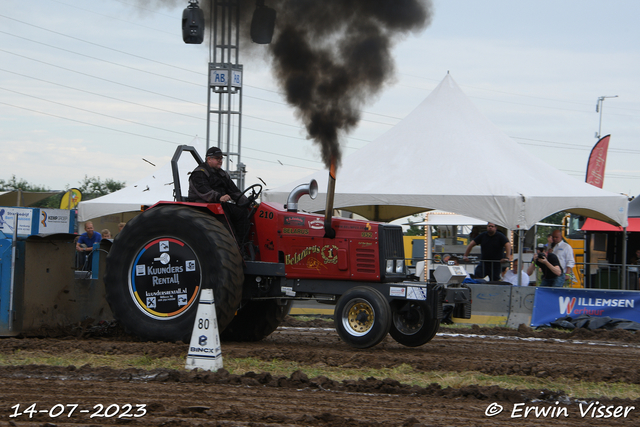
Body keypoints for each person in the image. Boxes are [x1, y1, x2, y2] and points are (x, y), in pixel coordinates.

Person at [188, 146, 251, 255]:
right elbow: (204, 191)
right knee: (225, 217)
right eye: (217, 158)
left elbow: (234, 191)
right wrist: (218, 197)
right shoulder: (199, 173)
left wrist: (246, 202)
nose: (220, 161)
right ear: (209, 159)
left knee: (242, 212)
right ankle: (233, 249)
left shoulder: (222, 174)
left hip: (220, 204)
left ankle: (244, 245)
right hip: (205, 206)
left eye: (221, 158)